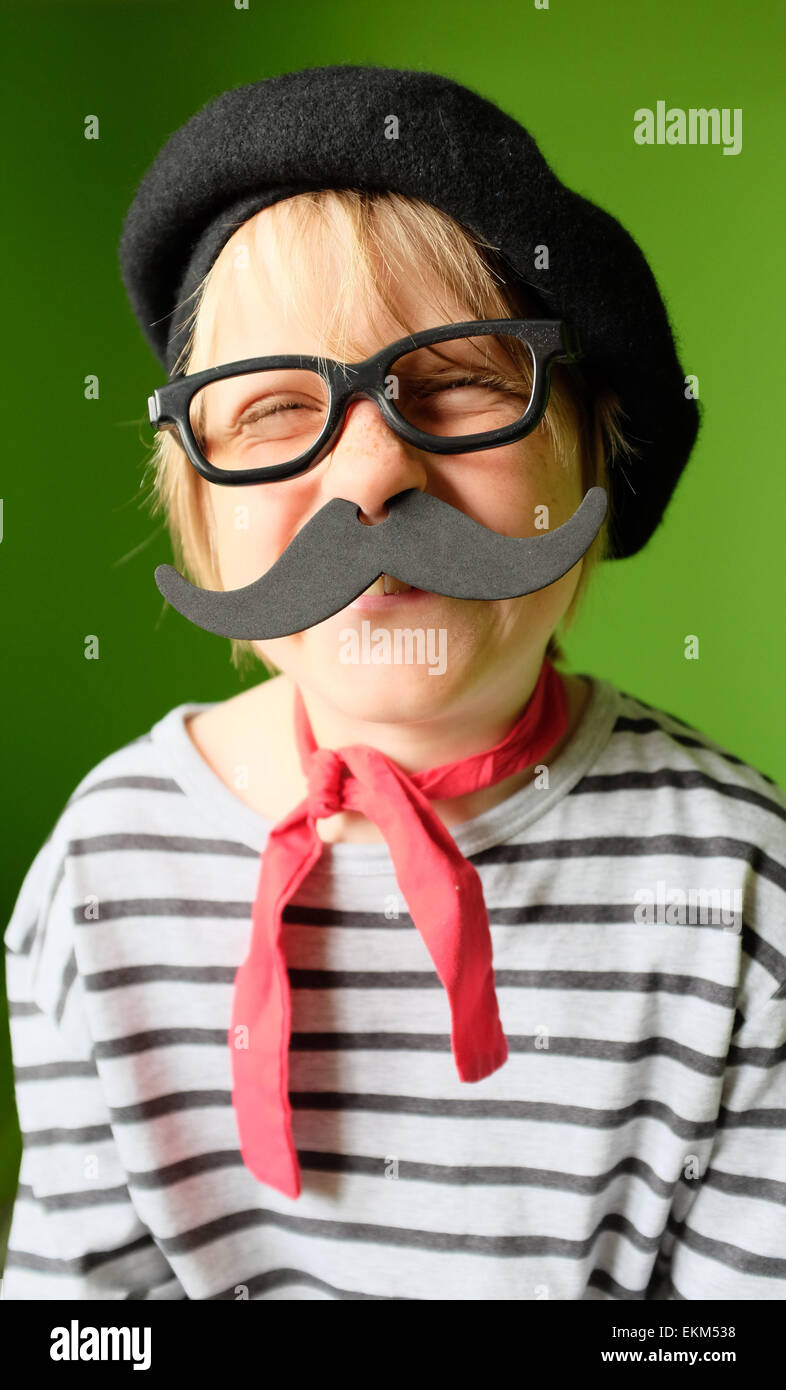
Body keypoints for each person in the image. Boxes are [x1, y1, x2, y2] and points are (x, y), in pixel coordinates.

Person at [3, 65, 785, 1301]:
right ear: (198, 506)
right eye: (271, 410)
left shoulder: (741, 889)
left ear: (596, 453)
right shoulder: (104, 872)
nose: (370, 480)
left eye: (464, 378)